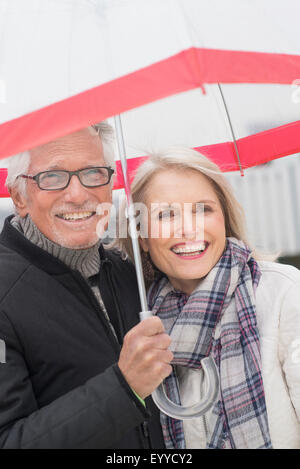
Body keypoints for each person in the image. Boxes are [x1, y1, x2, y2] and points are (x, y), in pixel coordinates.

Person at [0, 122, 173, 449]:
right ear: (19, 198)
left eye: (93, 173)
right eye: (51, 177)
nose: (78, 194)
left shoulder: (131, 273)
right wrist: (124, 388)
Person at [117, 146, 300, 449]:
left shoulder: (285, 294)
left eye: (203, 209)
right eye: (166, 214)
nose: (189, 228)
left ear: (224, 219)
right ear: (143, 238)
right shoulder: (139, 321)